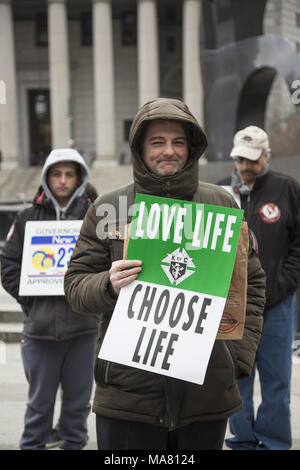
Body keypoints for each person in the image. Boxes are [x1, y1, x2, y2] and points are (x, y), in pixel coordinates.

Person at [64, 98, 266, 451]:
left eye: (178, 142)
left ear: (191, 148)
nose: (168, 151)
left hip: (206, 394)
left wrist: (237, 359)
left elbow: (253, 284)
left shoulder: (221, 204)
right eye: (157, 142)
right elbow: (75, 285)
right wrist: (107, 284)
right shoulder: (109, 208)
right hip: (128, 398)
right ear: (141, 148)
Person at [1, 148, 99, 450]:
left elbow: (105, 265)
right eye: (56, 174)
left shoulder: (92, 216)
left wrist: (89, 298)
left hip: (83, 331)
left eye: (70, 174)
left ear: (79, 177)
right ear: (46, 177)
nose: (63, 181)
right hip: (40, 331)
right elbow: (8, 267)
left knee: (77, 408)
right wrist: (32, 300)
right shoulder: (27, 216)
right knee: (38, 409)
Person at [218, 125, 300, 450]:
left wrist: (285, 281)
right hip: (231, 303)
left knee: (277, 380)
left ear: (266, 156)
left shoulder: (287, 188)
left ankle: (274, 441)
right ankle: (242, 439)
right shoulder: (221, 192)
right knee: (236, 378)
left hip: (278, 304)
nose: (245, 166)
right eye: (240, 159)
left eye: (252, 159)